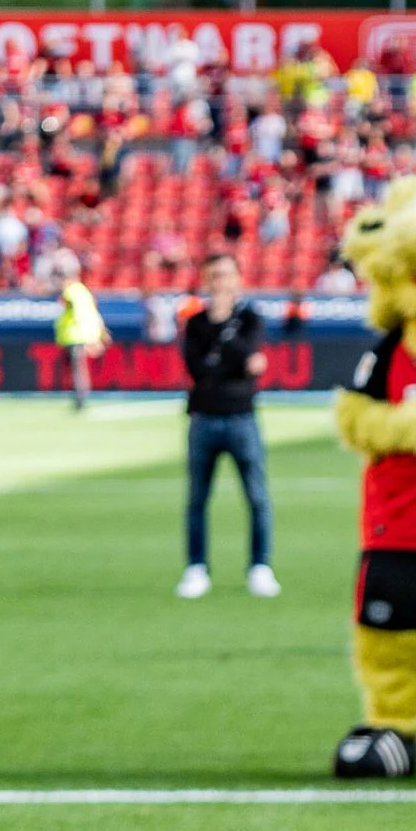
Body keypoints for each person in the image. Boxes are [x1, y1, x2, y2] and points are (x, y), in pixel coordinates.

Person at [175, 253, 277, 602]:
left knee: (257, 497)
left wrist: (231, 348)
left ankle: (260, 566)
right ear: (206, 280)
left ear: (237, 279)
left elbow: (247, 354)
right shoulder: (195, 323)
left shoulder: (250, 318)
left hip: (241, 417)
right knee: (197, 498)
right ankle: (196, 567)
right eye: (214, 275)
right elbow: (196, 367)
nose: (220, 282)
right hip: (203, 417)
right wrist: (237, 362)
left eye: (226, 275)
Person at [55, 277, 107, 412]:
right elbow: (92, 313)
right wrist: (98, 334)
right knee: (78, 369)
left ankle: (80, 399)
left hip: (75, 337)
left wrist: (91, 339)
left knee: (77, 369)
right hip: (79, 336)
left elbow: (80, 314)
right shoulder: (85, 293)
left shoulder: (72, 292)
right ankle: (80, 397)